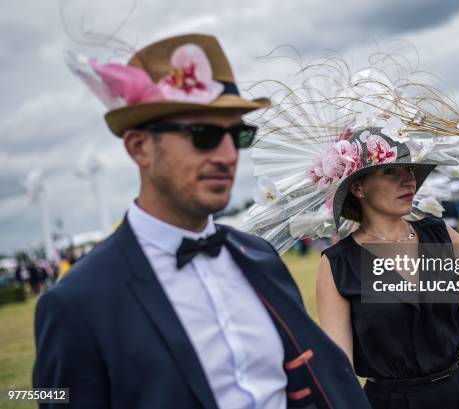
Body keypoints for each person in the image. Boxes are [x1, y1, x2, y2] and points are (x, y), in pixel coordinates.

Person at [33, 34, 370, 409]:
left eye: (237, 134)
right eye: (204, 134)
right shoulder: (76, 303)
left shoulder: (258, 255)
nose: (228, 155)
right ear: (139, 147)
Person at [240, 56, 459, 409]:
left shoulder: (438, 236)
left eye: (410, 169)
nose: (408, 179)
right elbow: (339, 370)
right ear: (358, 187)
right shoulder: (339, 265)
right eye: (391, 171)